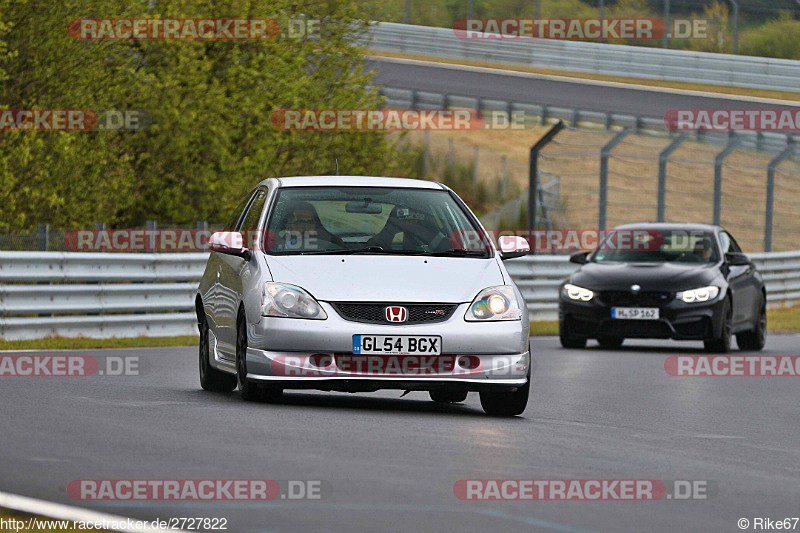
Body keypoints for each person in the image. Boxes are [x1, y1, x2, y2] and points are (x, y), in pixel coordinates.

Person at [278, 201, 345, 251]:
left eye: (310, 222)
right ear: (288, 227)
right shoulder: (278, 247)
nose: (306, 227)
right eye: (301, 223)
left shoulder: (329, 244)